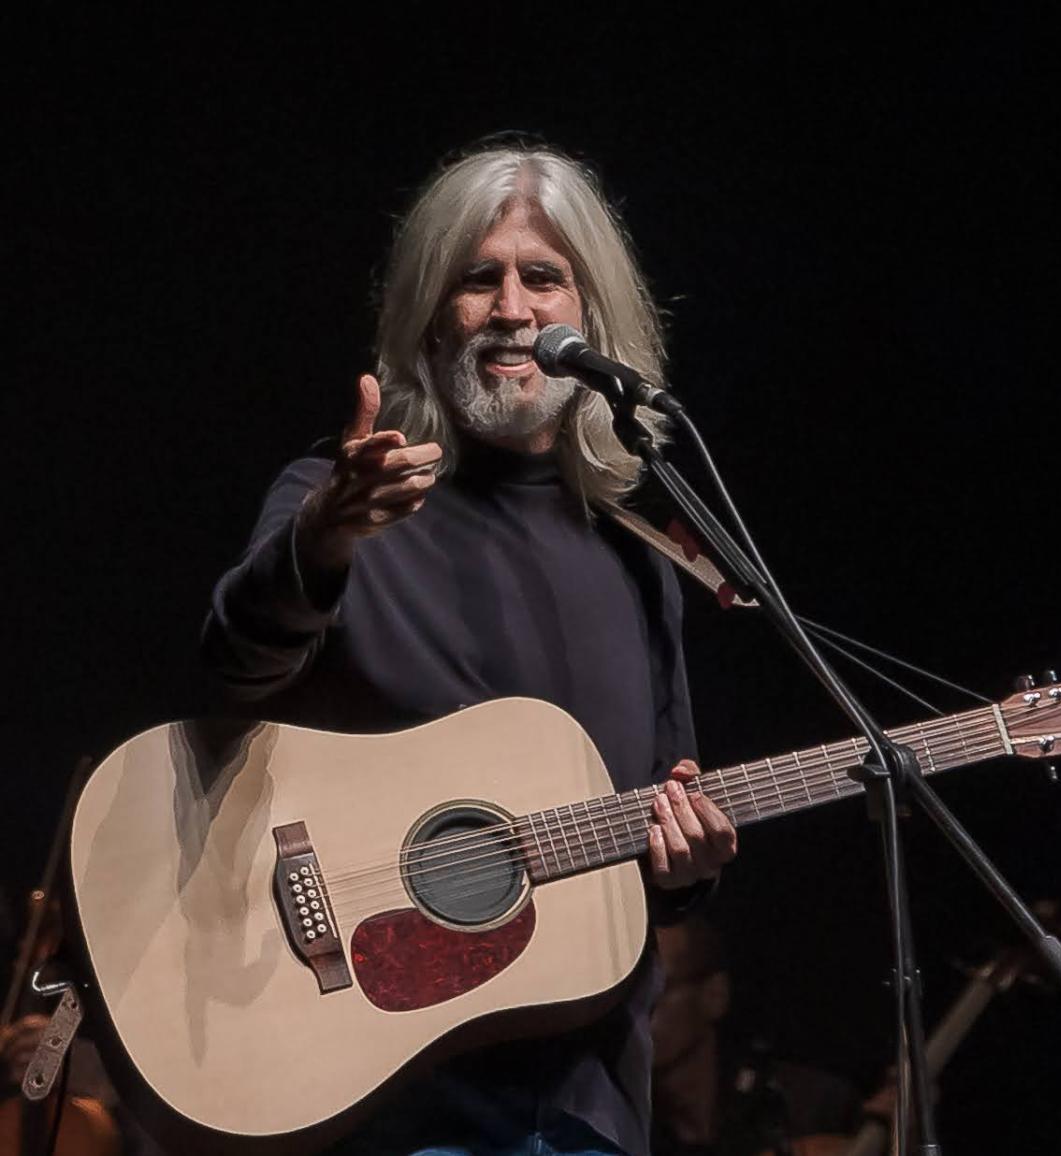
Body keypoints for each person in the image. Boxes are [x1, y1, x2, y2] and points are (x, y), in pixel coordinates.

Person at [200, 142, 738, 1156]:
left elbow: (661, 811)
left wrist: (686, 862)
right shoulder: (346, 497)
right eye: (476, 278)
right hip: (372, 1089)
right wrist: (322, 538)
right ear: (426, 310)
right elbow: (232, 670)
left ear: (594, 316)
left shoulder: (642, 557)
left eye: (544, 277)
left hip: (581, 1106)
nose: (513, 309)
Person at [650, 919, 860, 1156]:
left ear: (714, 995)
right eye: (629, 999)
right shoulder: (622, 1125)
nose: (639, 1013)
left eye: (657, 990)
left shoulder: (807, 1105)